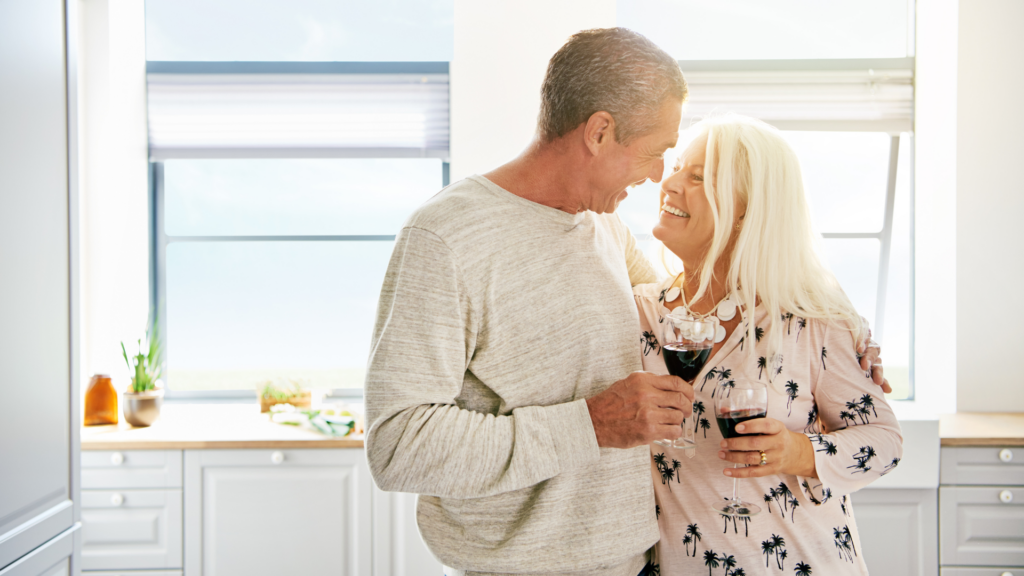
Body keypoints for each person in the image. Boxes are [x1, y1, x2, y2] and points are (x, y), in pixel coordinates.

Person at [365, 28, 886, 576]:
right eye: (659, 152)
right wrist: (591, 424)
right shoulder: (447, 237)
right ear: (599, 131)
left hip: (642, 565)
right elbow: (399, 447)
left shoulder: (605, 229)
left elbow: (704, 299)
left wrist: (843, 325)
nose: (660, 175)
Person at [635, 115, 902, 575]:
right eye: (677, 167)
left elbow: (884, 442)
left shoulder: (811, 317)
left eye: (697, 176)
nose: (669, 182)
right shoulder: (639, 313)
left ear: (747, 209)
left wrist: (799, 452)